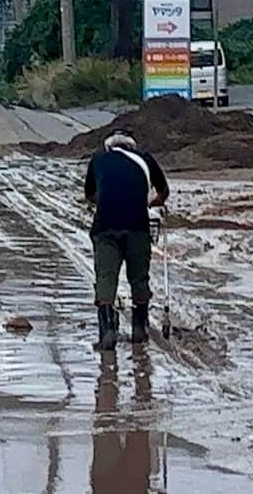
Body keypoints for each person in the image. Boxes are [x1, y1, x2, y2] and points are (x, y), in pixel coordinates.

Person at [85, 131, 169, 350]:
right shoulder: (146, 159)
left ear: (109, 148)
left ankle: (107, 332)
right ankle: (139, 330)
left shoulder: (98, 160)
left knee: (106, 277)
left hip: (105, 227)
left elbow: (91, 195)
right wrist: (147, 204)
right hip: (137, 226)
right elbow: (163, 192)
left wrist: (107, 202)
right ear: (133, 148)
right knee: (139, 277)